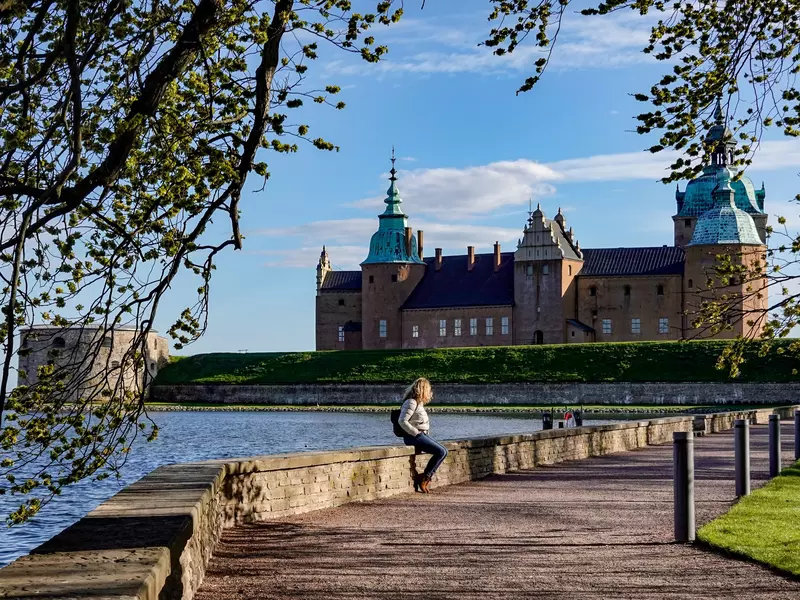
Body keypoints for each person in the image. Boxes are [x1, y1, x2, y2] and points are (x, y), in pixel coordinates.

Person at [398, 377, 448, 493]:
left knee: (443, 451)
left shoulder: (418, 403)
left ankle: (425, 477)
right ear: (423, 389)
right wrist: (416, 433)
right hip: (413, 436)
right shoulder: (411, 402)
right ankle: (425, 478)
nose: (430, 393)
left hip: (421, 435)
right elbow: (402, 421)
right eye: (429, 390)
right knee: (441, 451)